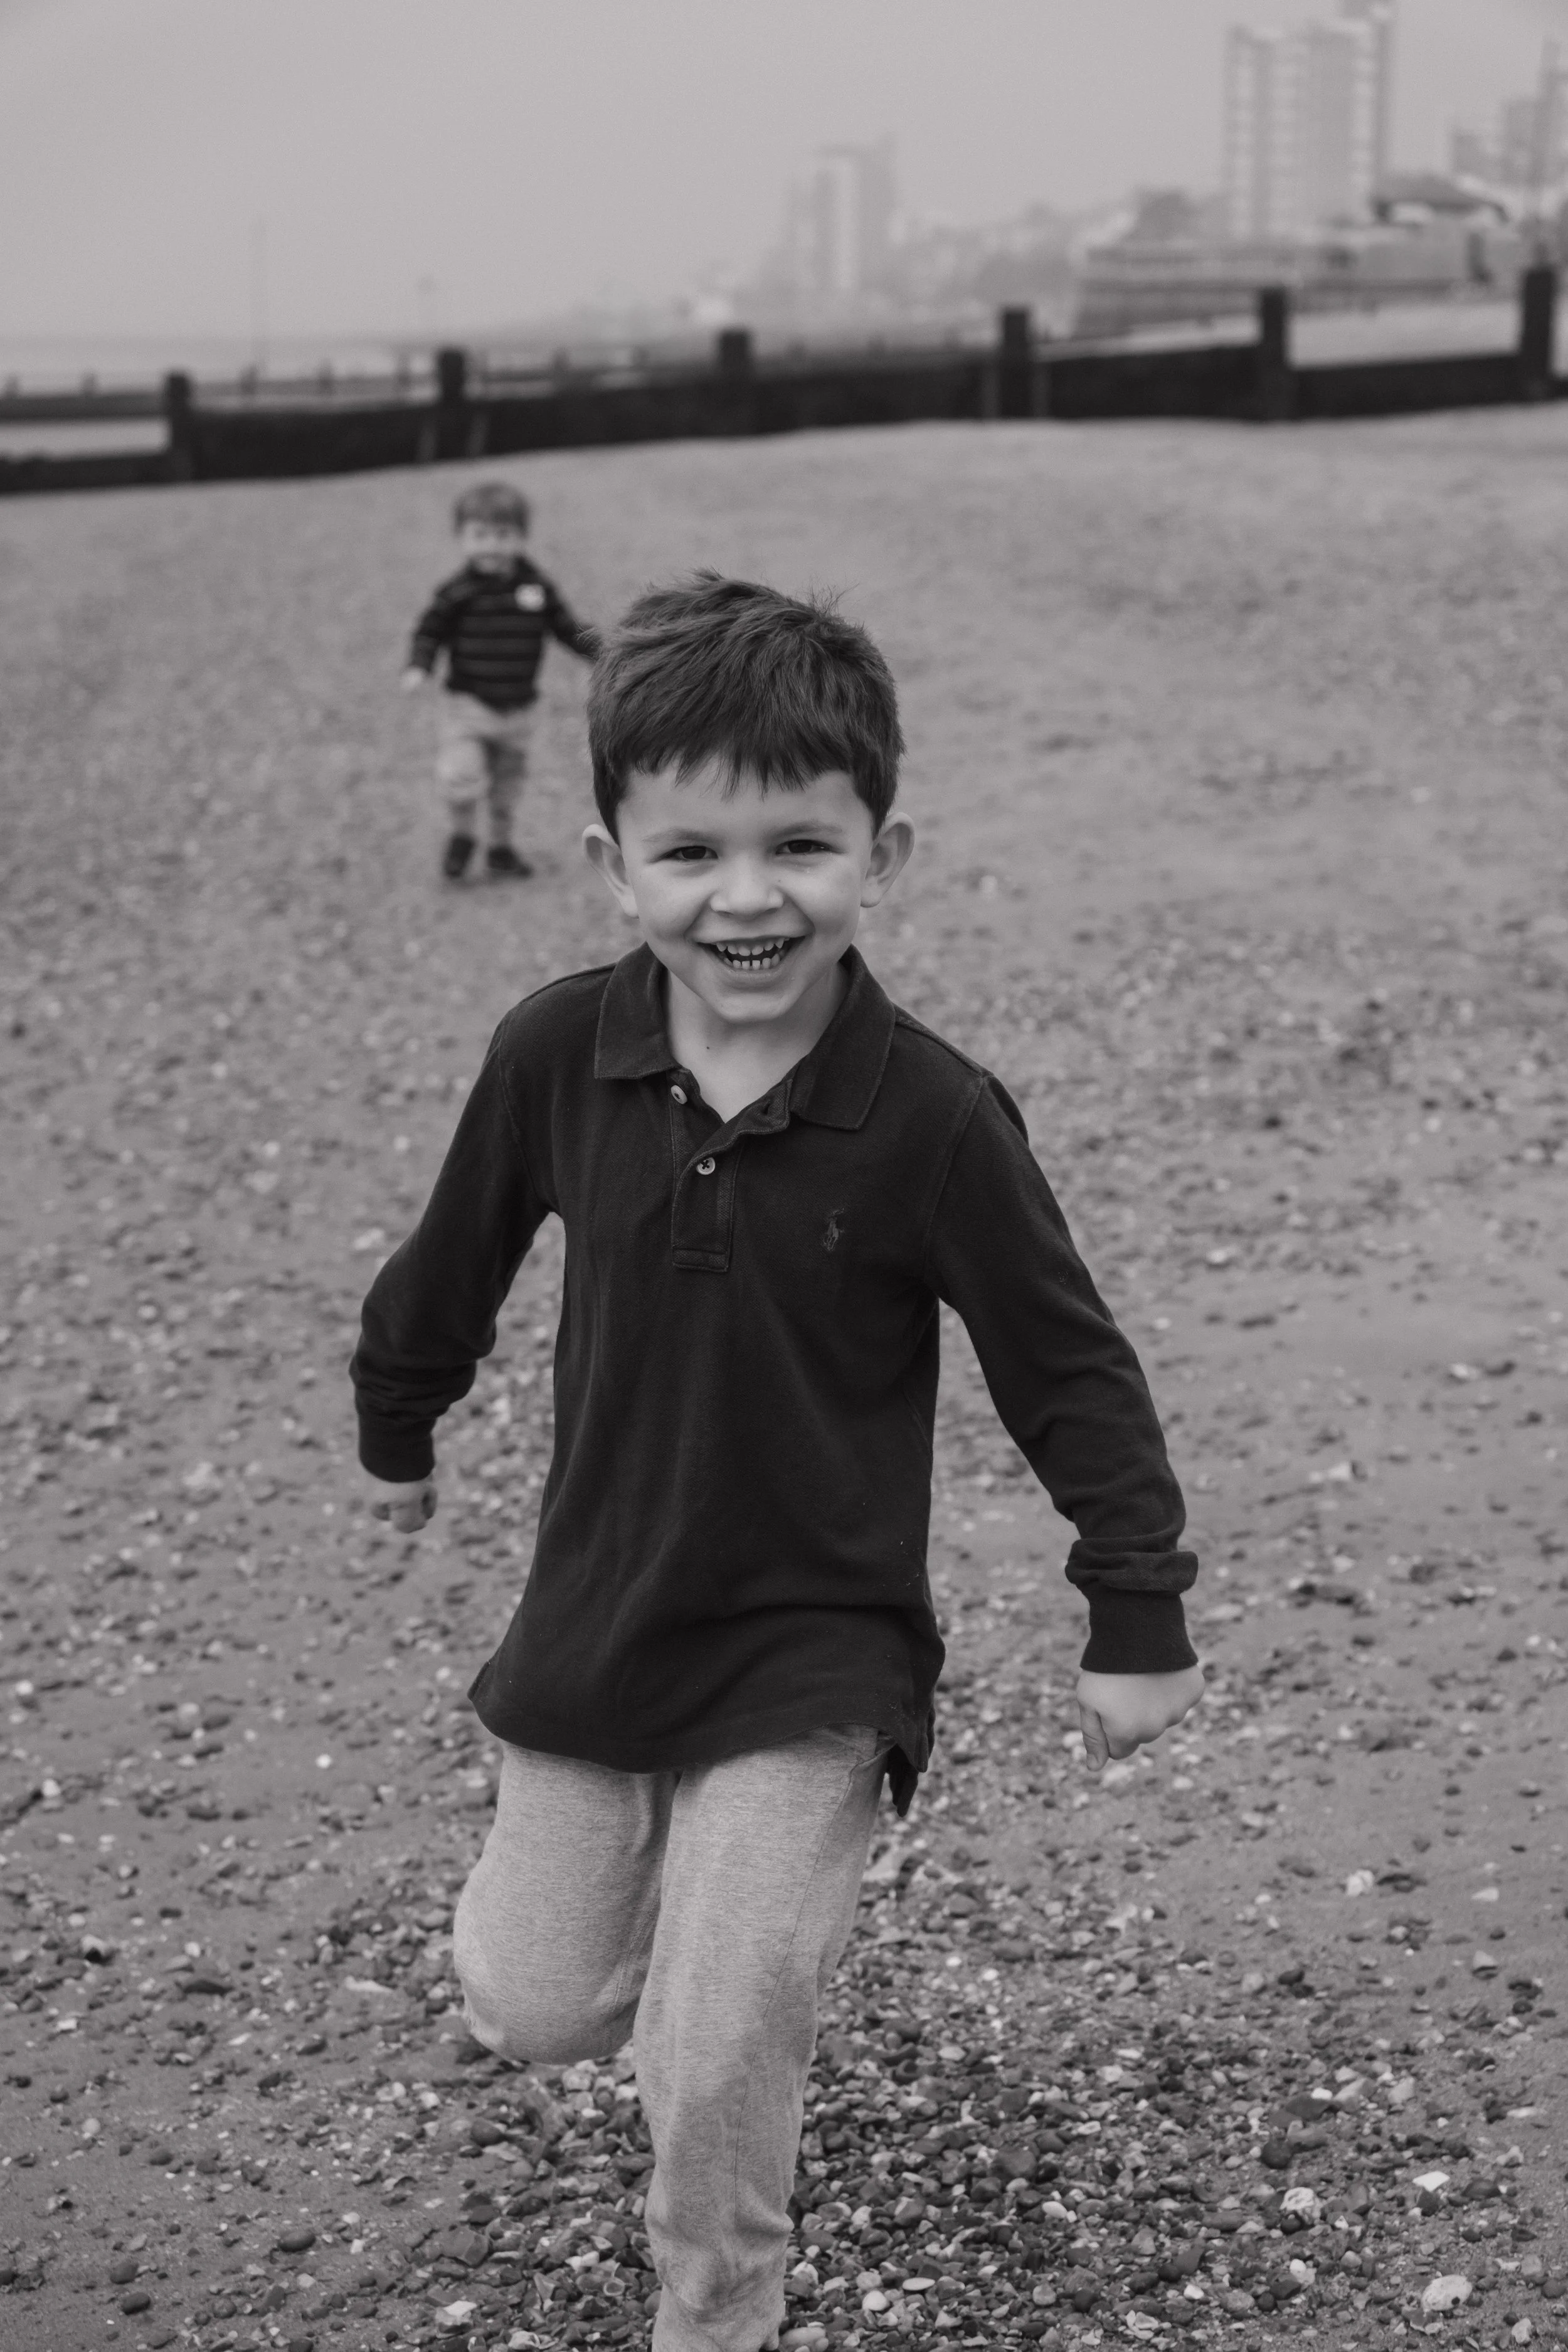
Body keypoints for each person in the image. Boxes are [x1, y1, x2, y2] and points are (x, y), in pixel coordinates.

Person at [352, 573, 1204, 2352]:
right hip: (596, 1621)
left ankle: (717, 2297)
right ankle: (663, 1949)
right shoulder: (552, 1055)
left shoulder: (934, 1116)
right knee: (534, 2002)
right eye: (690, 853)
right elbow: (448, 1263)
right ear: (613, 860)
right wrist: (397, 1421)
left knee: (718, 2025)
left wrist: (1134, 1605)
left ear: (884, 851)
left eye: (800, 843)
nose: (745, 897)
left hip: (822, 1641)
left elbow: (1068, 1367)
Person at [402, 477, 598, 882]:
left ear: (522, 538)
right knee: (461, 775)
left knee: (508, 788)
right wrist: (420, 665)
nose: (491, 545)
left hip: (519, 709)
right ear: (462, 538)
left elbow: (566, 628)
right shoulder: (457, 592)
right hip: (468, 706)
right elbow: (429, 631)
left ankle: (500, 848)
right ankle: (462, 835)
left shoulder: (536, 588)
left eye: (503, 534)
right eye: (480, 535)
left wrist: (605, 653)